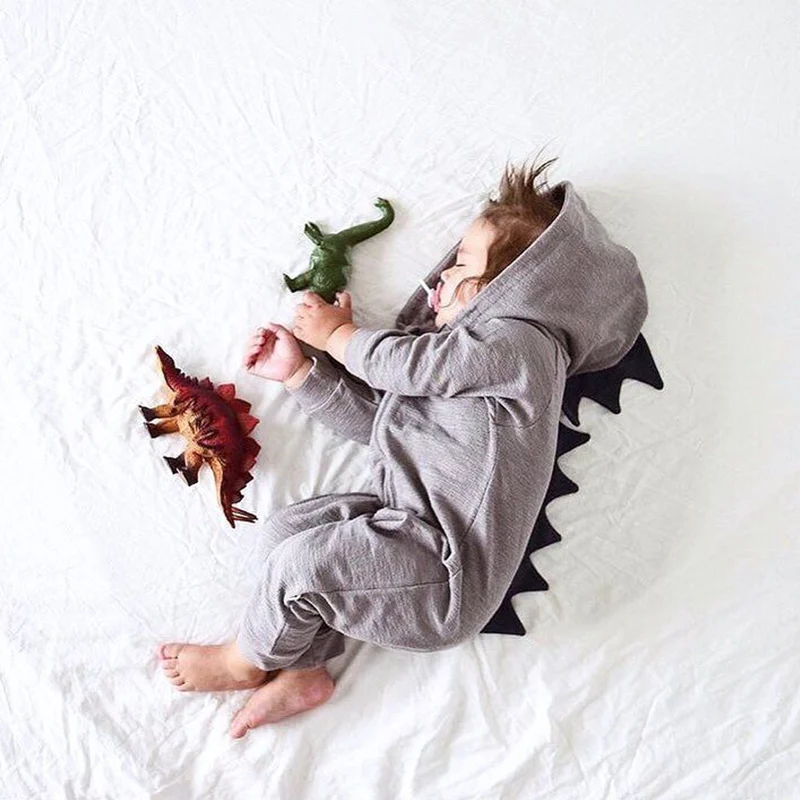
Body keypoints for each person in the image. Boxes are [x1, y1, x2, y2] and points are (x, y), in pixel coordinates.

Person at [158, 155, 648, 739]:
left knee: (302, 567)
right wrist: (300, 374)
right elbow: (384, 423)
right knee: (289, 532)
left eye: (461, 264)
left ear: (510, 289)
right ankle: (306, 667)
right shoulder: (474, 375)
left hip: (443, 575)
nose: (441, 276)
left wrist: (340, 336)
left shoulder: (524, 346)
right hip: (405, 529)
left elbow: (411, 366)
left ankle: (245, 660)